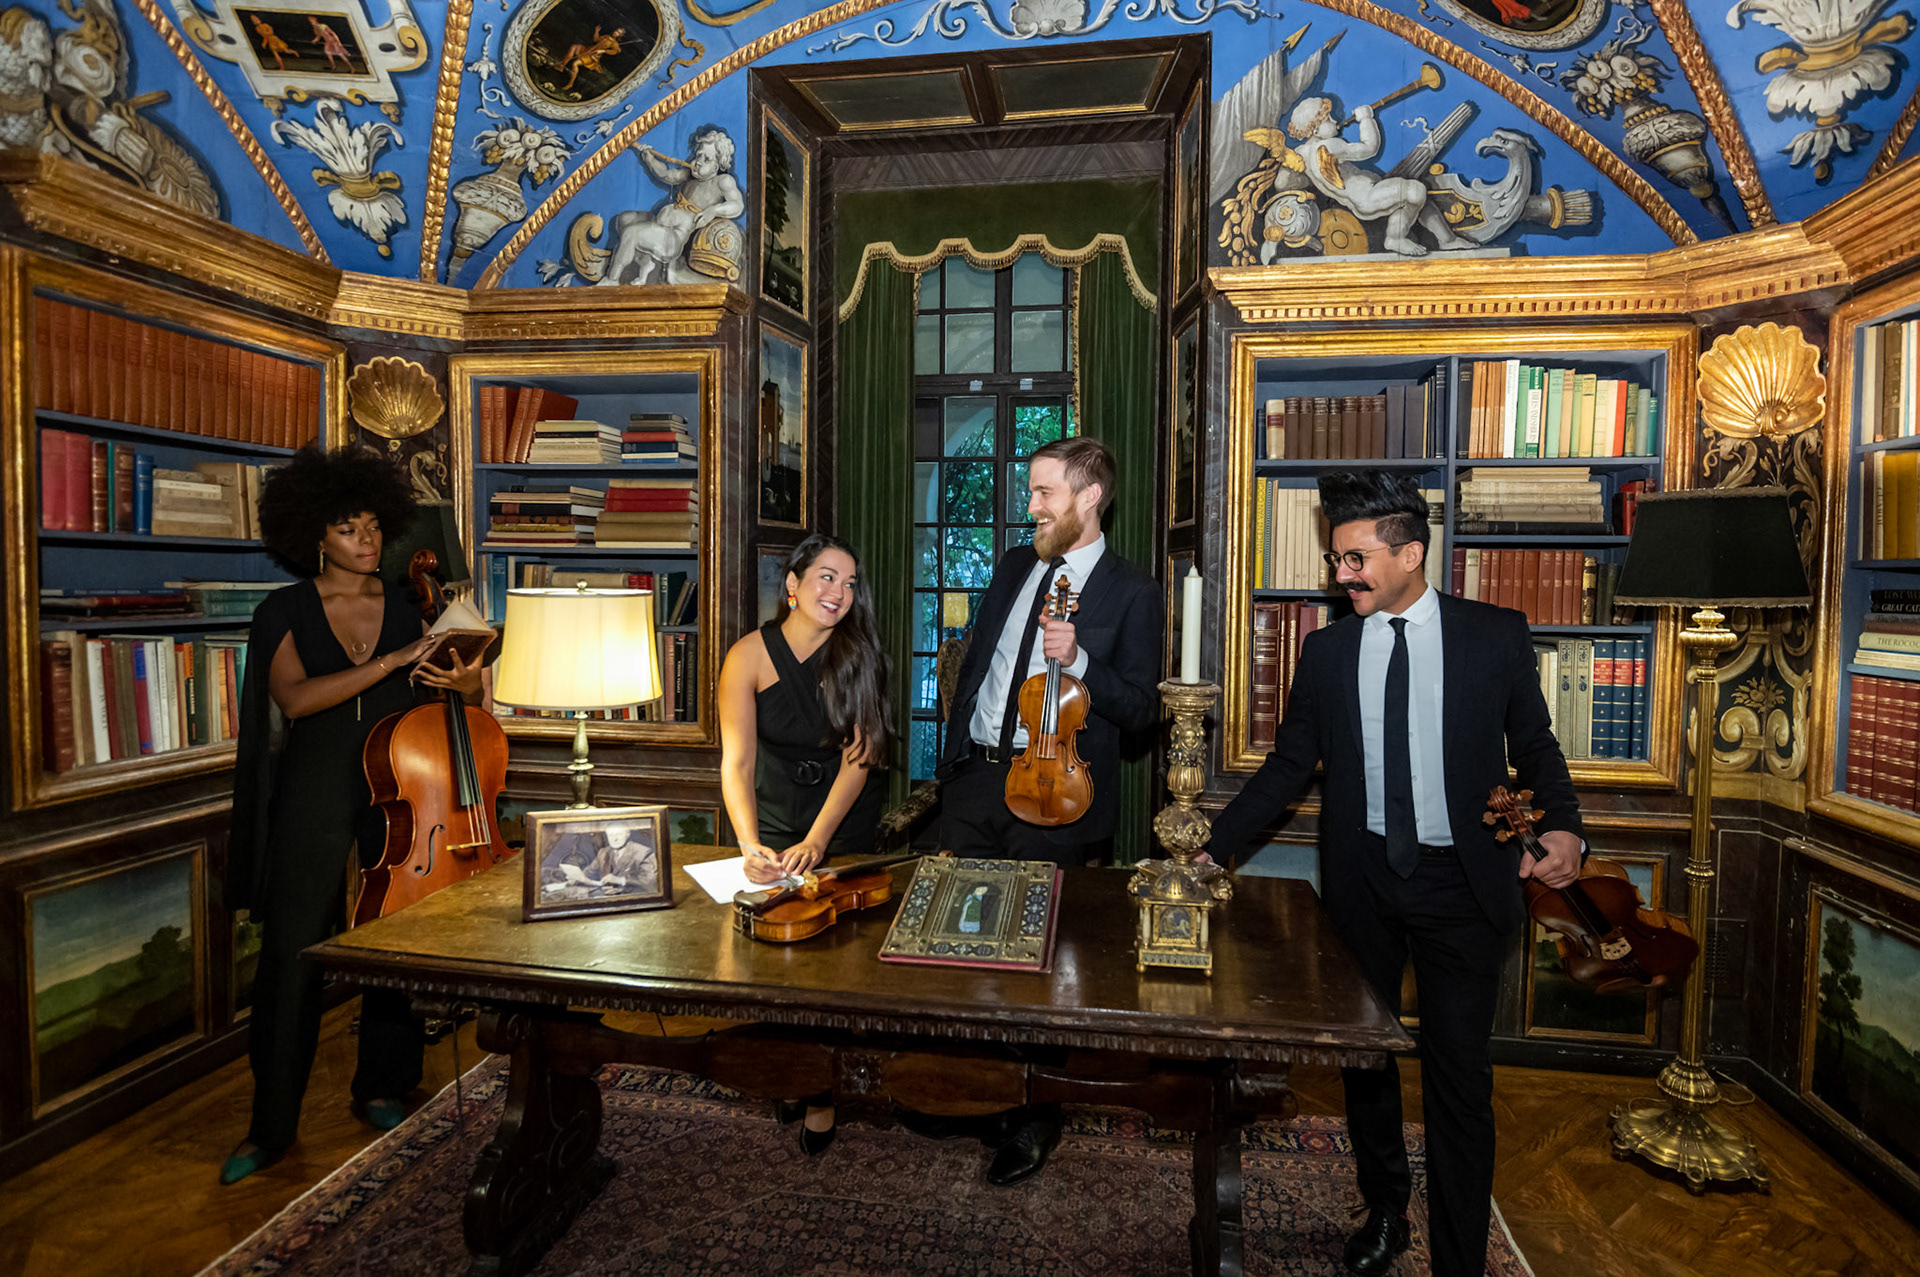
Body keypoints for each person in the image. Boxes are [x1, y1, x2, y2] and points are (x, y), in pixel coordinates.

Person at [1205, 469, 1583, 1277]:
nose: (1343, 574)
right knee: (1366, 1064)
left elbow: (1536, 747)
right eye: (1337, 560)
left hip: (1464, 887)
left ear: (1410, 553)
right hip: (1364, 885)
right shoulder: (1327, 650)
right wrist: (1212, 846)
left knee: (1459, 1080)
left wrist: (1565, 827)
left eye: (1357, 558)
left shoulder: (1495, 635)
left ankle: (1458, 1261)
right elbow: (1287, 766)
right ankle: (1384, 1211)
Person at [221, 444, 484, 1186]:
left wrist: (467, 681)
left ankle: (382, 1087)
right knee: (293, 945)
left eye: (373, 526)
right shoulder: (283, 611)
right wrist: (389, 662)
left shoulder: (415, 603)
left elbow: (467, 694)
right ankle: (270, 1126)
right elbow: (296, 700)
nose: (367, 541)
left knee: (390, 934)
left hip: (401, 777)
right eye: (348, 529)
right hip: (317, 779)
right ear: (315, 535)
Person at [927, 435, 1164, 1186]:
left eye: (1044, 492)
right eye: (1031, 491)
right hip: (976, 779)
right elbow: (980, 661)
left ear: (1089, 497)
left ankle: (1034, 1113)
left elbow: (1144, 710)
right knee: (962, 944)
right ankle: (974, 1090)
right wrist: (953, 755)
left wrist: (1082, 662)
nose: (1030, 505)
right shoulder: (1014, 565)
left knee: (1036, 962)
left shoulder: (1133, 591)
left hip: (1055, 793)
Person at [717, 532, 893, 1155]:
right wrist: (749, 844)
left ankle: (823, 1095)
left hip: (841, 821)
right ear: (792, 584)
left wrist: (819, 841)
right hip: (771, 813)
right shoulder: (747, 655)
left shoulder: (859, 654)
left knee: (834, 965)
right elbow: (737, 762)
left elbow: (860, 758)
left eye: (849, 583)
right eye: (826, 577)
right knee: (771, 961)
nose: (839, 592)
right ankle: (789, 1067)